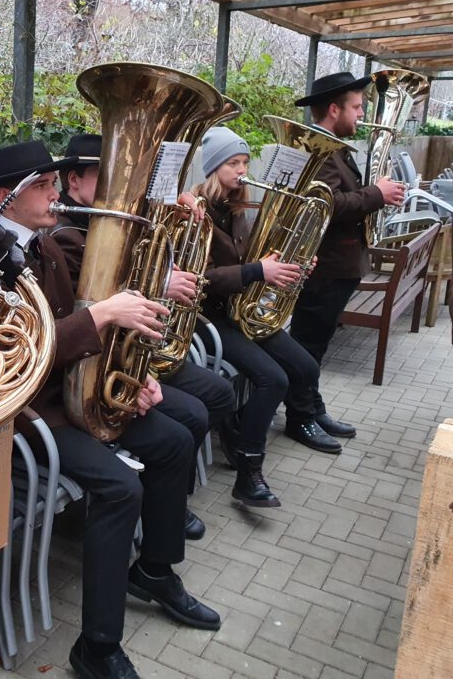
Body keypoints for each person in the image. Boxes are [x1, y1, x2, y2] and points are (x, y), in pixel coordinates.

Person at [0, 140, 221, 679]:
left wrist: (135, 376)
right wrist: (103, 314)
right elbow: (14, 356)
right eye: (42, 185)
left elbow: (88, 334)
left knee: (175, 439)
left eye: (55, 183)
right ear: (3, 195)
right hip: (30, 414)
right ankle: (97, 647)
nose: (55, 192)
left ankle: (154, 569)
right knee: (120, 487)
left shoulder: (47, 246)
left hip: (74, 394)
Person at [54, 133, 236, 541]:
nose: (118, 189)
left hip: (123, 360)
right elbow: (100, 309)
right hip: (92, 374)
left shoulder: (118, 224)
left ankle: (166, 510)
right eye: (105, 177)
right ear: (74, 183)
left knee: (201, 409)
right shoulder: (67, 237)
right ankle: (162, 515)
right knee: (185, 422)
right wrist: (159, 286)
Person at [193, 126, 331, 506]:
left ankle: (237, 426)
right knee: (273, 379)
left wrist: (296, 262)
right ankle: (248, 471)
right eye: (232, 163)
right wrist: (258, 271)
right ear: (213, 167)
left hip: (240, 312)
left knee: (305, 369)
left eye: (244, 162)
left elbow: (260, 259)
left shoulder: (240, 209)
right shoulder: (198, 213)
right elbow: (198, 280)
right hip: (209, 320)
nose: (241, 170)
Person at [286, 72, 406, 440]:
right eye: (356, 107)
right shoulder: (319, 149)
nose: (360, 114)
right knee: (308, 344)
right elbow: (327, 205)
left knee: (317, 345)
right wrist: (376, 194)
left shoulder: (335, 148)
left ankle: (313, 407)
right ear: (334, 109)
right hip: (324, 266)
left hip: (340, 265)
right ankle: (299, 417)